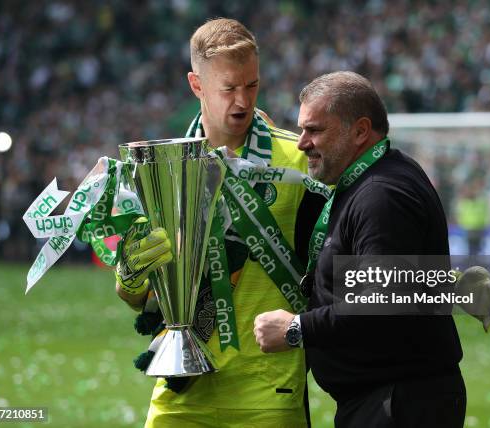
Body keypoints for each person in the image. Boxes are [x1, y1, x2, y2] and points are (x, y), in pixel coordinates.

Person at [114, 18, 324, 428]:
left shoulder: (299, 161)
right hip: (182, 388)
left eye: (252, 85)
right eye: (229, 88)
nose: (243, 101)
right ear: (197, 86)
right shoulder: (160, 167)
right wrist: (131, 271)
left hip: (269, 391)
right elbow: (133, 295)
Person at [253, 71, 470, 427]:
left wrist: (298, 329)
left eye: (315, 130)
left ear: (360, 131)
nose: (302, 143)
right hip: (389, 398)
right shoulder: (374, 179)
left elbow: (382, 302)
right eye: (301, 130)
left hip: (398, 402)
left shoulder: (382, 195)